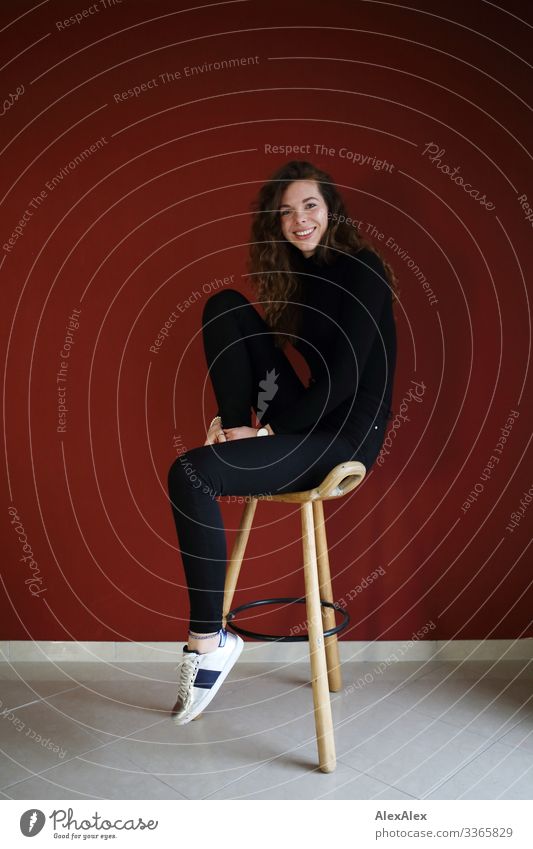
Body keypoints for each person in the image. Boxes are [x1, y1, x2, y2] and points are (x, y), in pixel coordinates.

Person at [167, 159, 399, 724]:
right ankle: (231, 431)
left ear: (332, 210)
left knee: (189, 474)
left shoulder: (364, 268)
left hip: (346, 437)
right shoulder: (300, 280)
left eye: (311, 206)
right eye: (288, 212)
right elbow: (299, 379)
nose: (300, 220)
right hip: (310, 422)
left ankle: (208, 642)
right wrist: (248, 422)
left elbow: (343, 381)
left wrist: (271, 430)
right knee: (224, 306)